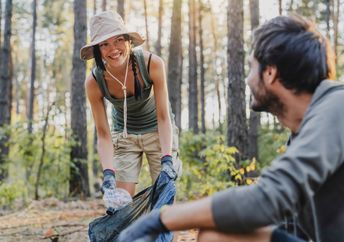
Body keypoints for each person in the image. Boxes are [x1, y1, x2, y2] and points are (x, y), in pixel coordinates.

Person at [118, 14, 344, 242]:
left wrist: (161, 218)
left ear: (270, 72)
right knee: (217, 234)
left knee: (216, 235)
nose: (246, 79)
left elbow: (269, 198)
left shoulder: (337, 107)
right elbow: (288, 223)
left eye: (251, 67)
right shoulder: (307, 128)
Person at [80, 11, 182, 201]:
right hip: (125, 135)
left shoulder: (152, 63)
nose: (113, 49)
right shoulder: (94, 81)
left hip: (158, 131)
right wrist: (109, 173)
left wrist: (167, 159)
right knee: (120, 202)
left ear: (128, 41)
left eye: (118, 40)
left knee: (163, 198)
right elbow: (103, 133)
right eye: (104, 44)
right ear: (97, 50)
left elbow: (163, 116)